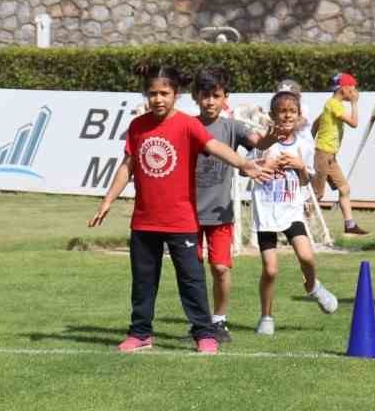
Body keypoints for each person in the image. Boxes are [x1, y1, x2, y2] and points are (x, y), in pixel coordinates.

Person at [88, 64, 267, 353]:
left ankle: (204, 333)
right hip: (144, 221)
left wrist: (244, 163)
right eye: (152, 93)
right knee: (143, 283)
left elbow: (215, 146)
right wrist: (108, 200)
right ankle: (141, 333)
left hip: (181, 221)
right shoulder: (137, 126)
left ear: (177, 94)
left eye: (164, 93)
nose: (158, 99)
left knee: (192, 281)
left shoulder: (187, 124)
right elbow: (127, 166)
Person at [250, 91, 339, 335]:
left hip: (291, 212)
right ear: (273, 115)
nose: (288, 115)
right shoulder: (263, 143)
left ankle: (313, 287)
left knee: (307, 257)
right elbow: (245, 170)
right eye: (282, 110)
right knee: (270, 269)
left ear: (299, 115)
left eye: (293, 111)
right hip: (267, 213)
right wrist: (263, 166)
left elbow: (305, 179)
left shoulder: (303, 144)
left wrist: (300, 166)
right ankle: (266, 317)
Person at [192, 68, 267, 343]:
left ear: (225, 98)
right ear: (195, 97)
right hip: (187, 215)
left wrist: (273, 136)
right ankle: (199, 323)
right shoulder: (187, 126)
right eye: (205, 96)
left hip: (220, 214)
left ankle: (219, 320)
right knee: (192, 272)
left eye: (216, 96)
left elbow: (259, 145)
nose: (210, 101)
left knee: (220, 269)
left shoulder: (232, 127)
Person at [311, 73, 368, 235]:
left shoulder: (330, 105)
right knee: (317, 194)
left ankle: (350, 225)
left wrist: (310, 139)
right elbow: (354, 123)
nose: (355, 92)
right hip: (323, 153)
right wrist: (355, 104)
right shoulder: (334, 104)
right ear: (344, 89)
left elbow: (317, 122)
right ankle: (298, 226)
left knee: (344, 188)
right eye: (353, 88)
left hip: (329, 155)